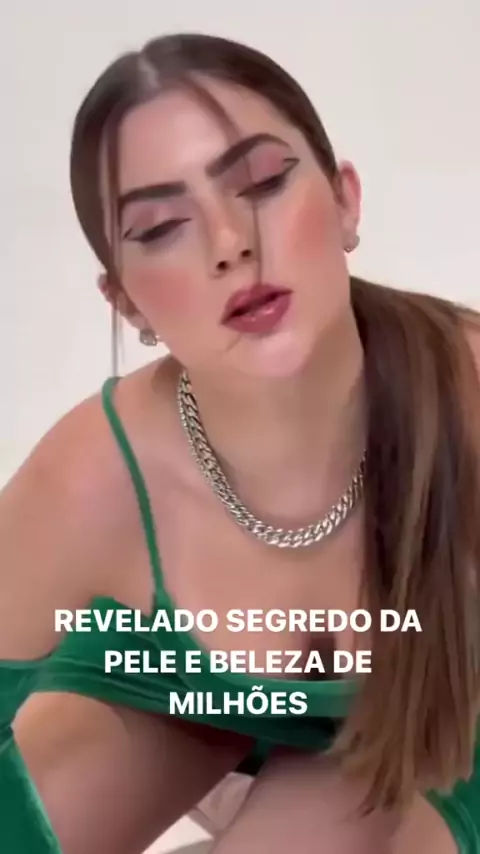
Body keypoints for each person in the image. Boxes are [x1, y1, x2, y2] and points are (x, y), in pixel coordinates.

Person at [1, 32, 479, 854]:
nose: (230, 243)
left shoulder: (464, 393)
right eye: (161, 227)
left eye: (260, 182)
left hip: (439, 718)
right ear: (126, 302)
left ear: (346, 200)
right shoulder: (92, 479)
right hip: (177, 694)